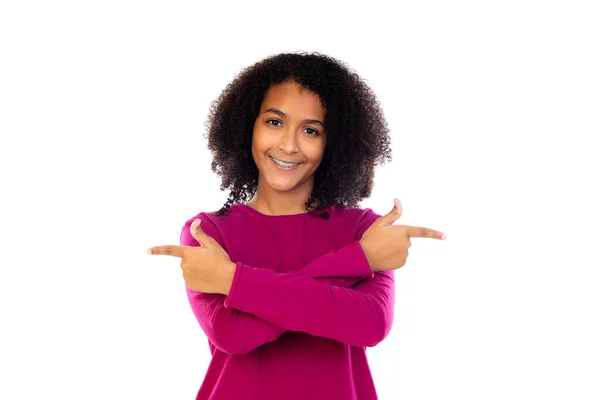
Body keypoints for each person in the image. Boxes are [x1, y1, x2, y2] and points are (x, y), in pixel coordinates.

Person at [147, 52, 446, 400]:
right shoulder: (209, 232)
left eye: (310, 130)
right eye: (274, 122)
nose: (288, 145)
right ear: (248, 126)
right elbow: (233, 334)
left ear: (332, 142)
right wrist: (356, 261)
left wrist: (233, 280)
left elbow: (370, 325)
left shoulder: (365, 230)